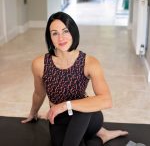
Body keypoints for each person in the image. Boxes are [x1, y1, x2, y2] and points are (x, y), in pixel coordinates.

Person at [21, 12, 128, 146]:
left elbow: (106, 100)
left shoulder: (89, 62)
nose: (61, 38)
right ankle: (103, 136)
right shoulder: (39, 64)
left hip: (87, 117)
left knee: (81, 112)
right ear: (50, 37)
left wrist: (65, 105)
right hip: (59, 119)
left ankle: (99, 130)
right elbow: (39, 93)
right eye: (55, 33)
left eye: (65, 31)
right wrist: (33, 113)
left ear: (73, 31)